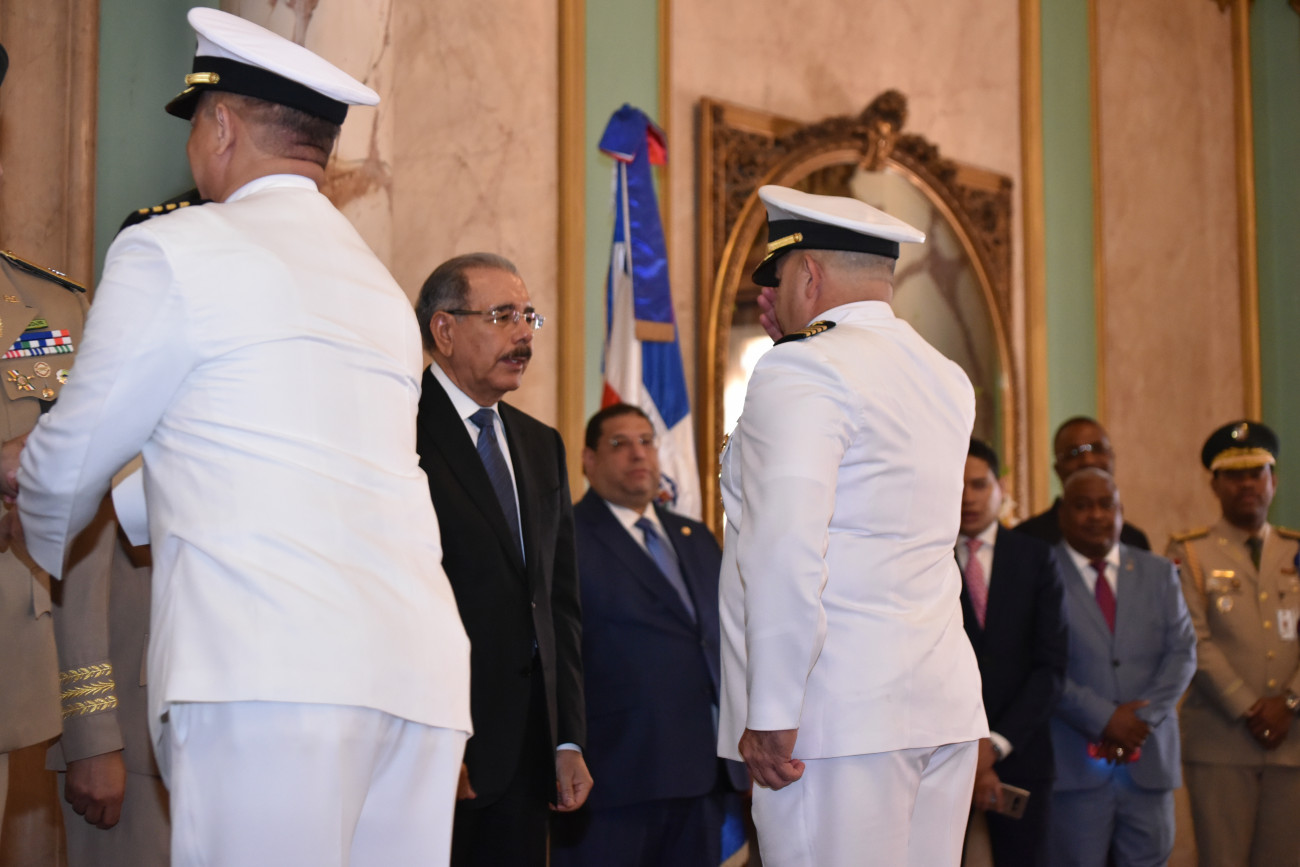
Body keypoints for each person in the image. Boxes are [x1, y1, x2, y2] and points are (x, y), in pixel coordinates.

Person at [9, 9, 471, 865]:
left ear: (220, 125)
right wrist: (124, 497)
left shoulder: (172, 251)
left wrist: (34, 519)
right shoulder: (378, 289)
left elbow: (67, 463)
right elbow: (279, 452)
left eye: (195, 126)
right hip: (418, 678)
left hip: (268, 675)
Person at [718, 185, 987, 866]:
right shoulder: (946, 376)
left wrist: (772, 709)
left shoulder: (801, 369)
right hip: (942, 705)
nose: (774, 294)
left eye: (779, 277)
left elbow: (786, 550)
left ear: (808, 274)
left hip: (837, 718)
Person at [414, 252, 591, 866]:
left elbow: (558, 604)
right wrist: (433, 735)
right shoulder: (398, 428)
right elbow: (397, 598)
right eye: (502, 316)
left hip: (527, 753)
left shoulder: (541, 444)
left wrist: (566, 738)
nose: (523, 334)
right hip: (440, 745)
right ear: (444, 329)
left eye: (528, 317)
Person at [551, 403, 747, 867]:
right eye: (620, 443)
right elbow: (559, 654)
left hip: (704, 775)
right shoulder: (565, 538)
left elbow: (719, 640)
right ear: (589, 460)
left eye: (646, 441)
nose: (639, 454)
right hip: (615, 778)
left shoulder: (695, 536)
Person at [1166, 420, 1300, 867]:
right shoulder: (1190, 553)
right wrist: (1251, 707)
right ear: (1215, 485)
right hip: (1221, 742)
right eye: (1234, 475)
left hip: (1293, 741)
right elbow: (1193, 639)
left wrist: (1289, 702)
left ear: (1273, 480)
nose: (1247, 484)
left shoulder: (1295, 550)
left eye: (1256, 473)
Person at [1047, 468, 1195, 867]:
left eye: (1105, 505)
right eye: (1082, 505)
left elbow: (1183, 653)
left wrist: (1139, 721)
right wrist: (1105, 719)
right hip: (1074, 769)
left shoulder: (1159, 572)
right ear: (1062, 514)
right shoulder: (1042, 573)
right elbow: (1041, 665)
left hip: (1148, 762)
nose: (1096, 515)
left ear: (1121, 512)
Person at [958, 438, 1068, 866]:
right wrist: (968, 746)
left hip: (1022, 755)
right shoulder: (924, 561)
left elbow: (1051, 666)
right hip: (943, 754)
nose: (967, 497)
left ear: (1001, 487)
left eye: (978, 484)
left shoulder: (1036, 558)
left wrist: (995, 745)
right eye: (957, 485)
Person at [1015, 416, 1151, 550]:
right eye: (1074, 453)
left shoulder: (1135, 541)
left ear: (1112, 458)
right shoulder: (1026, 539)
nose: (1088, 460)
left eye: (1097, 449)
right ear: (1058, 469)